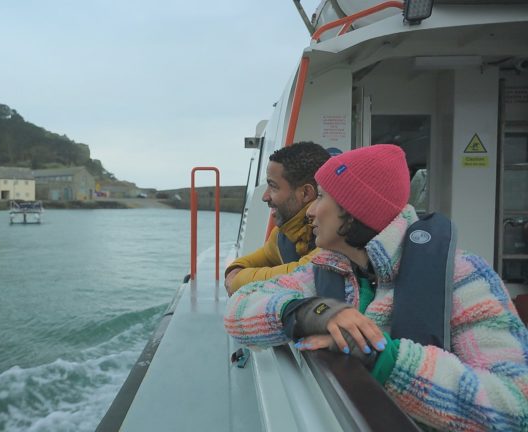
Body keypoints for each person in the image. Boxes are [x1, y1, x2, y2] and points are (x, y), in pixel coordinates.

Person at [224, 144, 528, 431]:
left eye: (322, 198)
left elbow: (516, 408)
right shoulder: (328, 268)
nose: (311, 211)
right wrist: (309, 312)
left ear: (354, 209)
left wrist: (381, 356)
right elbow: (238, 308)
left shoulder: (464, 277)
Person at [224, 141, 330, 295]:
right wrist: (234, 270)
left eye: (273, 186)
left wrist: (237, 280)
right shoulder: (284, 235)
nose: (265, 197)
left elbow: (304, 274)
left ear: (306, 193)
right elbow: (249, 261)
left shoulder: (334, 235)